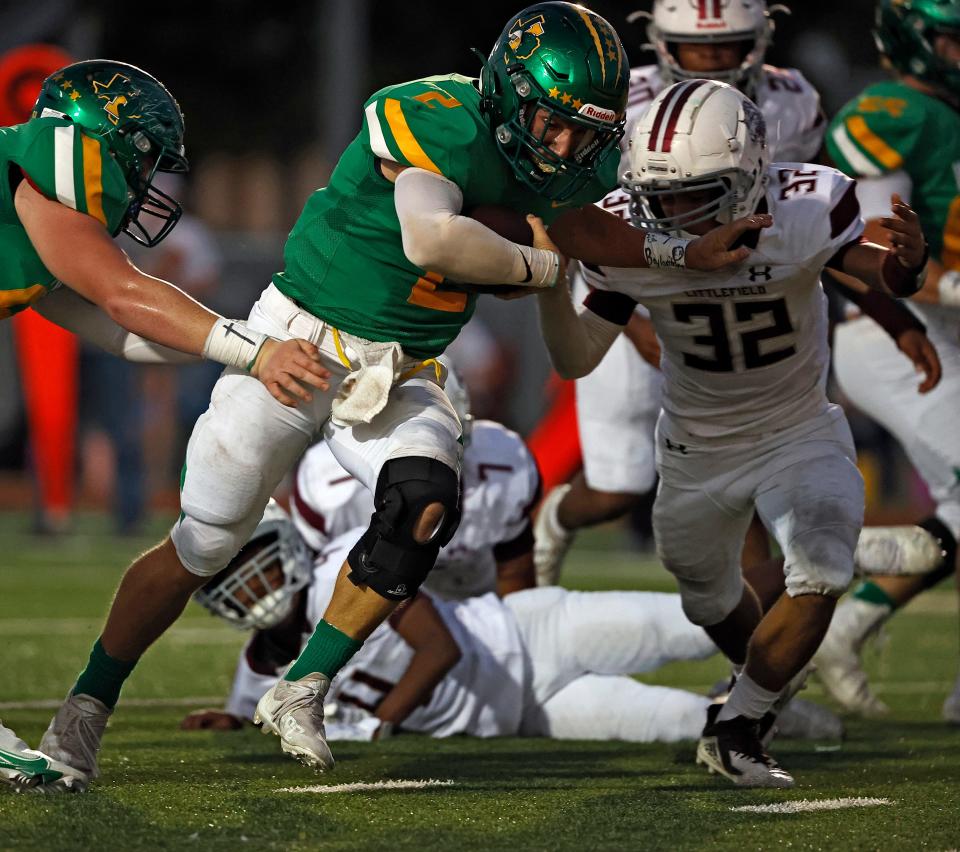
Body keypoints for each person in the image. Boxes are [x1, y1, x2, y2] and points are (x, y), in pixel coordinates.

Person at [36, 3, 769, 791]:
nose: (563, 145)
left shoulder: (569, 159)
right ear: (507, 90)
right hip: (298, 343)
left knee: (425, 502)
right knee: (204, 546)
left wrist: (681, 249)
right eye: (551, 123)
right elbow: (432, 237)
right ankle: (85, 708)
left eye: (581, 130)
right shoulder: (436, 115)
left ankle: (304, 686)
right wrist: (546, 269)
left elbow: (580, 225)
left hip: (406, 366)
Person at [532, 79, 928, 787]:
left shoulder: (805, 207)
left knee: (821, 566)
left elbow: (876, 275)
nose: (675, 211)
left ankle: (739, 726)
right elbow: (578, 357)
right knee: (705, 595)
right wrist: (549, 294)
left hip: (796, 426)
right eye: (662, 194)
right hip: (693, 444)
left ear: (749, 178)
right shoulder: (631, 232)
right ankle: (769, 685)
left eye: (697, 192)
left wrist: (907, 263)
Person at [0, 58, 328, 792]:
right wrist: (257, 347)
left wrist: (247, 348)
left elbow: (120, 331)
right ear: (92, 141)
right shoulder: (42, 177)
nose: (146, 178)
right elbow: (123, 296)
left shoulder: (28, 198)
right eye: (139, 156)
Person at [532, 0, 824, 584]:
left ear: (761, 39)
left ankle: (754, 647)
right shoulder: (616, 102)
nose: (712, 59)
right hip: (631, 292)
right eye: (696, 47)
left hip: (735, 296)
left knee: (745, 475)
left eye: (727, 44)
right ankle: (550, 524)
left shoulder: (793, 100)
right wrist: (629, 322)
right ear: (662, 43)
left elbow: (799, 208)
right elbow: (584, 219)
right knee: (619, 485)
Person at [181, 503, 841, 745]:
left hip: (530, 632)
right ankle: (771, 710)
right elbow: (260, 715)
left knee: (704, 617)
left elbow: (434, 648)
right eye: (230, 582)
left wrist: (383, 724)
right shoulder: (257, 672)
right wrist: (233, 722)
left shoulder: (340, 576)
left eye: (256, 567)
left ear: (286, 551)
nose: (250, 587)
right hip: (528, 713)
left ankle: (835, 558)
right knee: (682, 727)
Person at [813, 0, 960, 723]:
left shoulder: (946, 115)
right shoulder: (892, 110)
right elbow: (878, 258)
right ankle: (822, 549)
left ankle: (846, 626)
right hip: (900, 334)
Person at [289, 361, 539, 600]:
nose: (423, 458)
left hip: (475, 613)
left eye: (437, 439)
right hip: (375, 629)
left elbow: (515, 574)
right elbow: (309, 589)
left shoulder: (503, 464)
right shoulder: (328, 483)